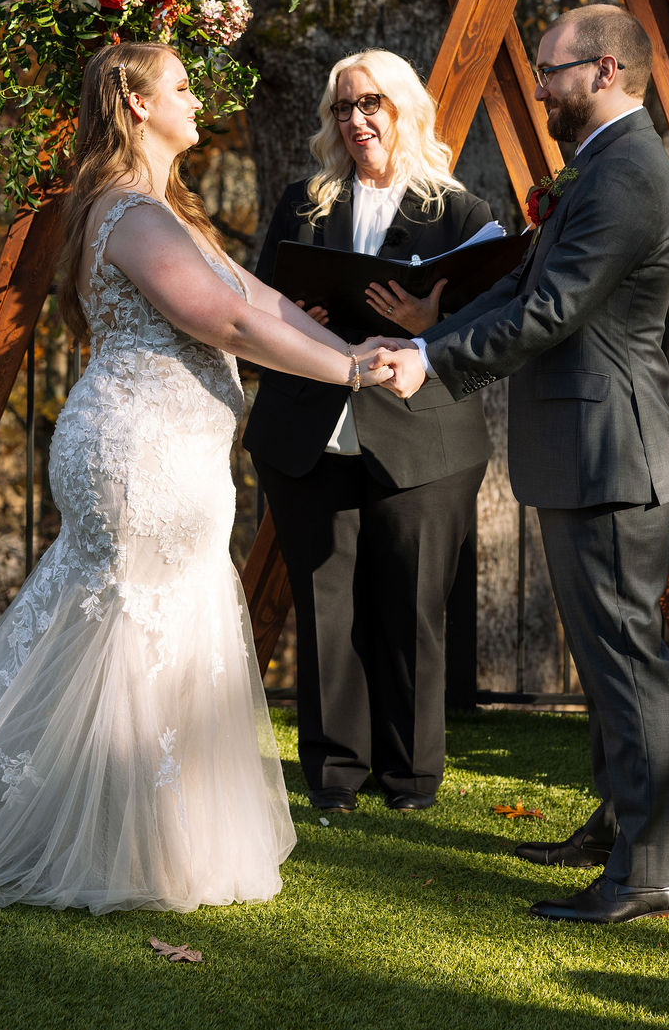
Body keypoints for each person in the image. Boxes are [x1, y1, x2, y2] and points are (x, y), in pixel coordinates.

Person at [0, 40, 391, 914]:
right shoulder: (132, 214)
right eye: (183, 87)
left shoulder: (163, 212)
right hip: (137, 452)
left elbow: (261, 299)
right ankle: (109, 837)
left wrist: (358, 350)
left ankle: (144, 830)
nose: (199, 100)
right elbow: (220, 315)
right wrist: (343, 374)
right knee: (129, 626)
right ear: (137, 104)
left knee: (137, 625)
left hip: (170, 450)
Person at [371, 5, 669, 923]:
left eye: (552, 72)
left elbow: (553, 309)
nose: (540, 87)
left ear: (607, 71)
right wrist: (436, 335)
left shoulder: (627, 171)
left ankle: (650, 871)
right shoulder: (600, 164)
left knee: (627, 661)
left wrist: (432, 362)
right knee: (607, 657)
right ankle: (622, 824)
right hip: (589, 452)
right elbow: (522, 285)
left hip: (612, 452)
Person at [243, 49, 494, 814]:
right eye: (343, 108)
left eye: (371, 103)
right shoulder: (304, 203)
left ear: (406, 110)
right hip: (310, 430)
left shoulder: (462, 212)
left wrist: (432, 323)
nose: (355, 119)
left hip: (427, 438)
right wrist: (300, 318)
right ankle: (334, 776)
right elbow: (260, 301)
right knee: (326, 605)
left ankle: (412, 778)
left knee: (412, 606)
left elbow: (495, 330)